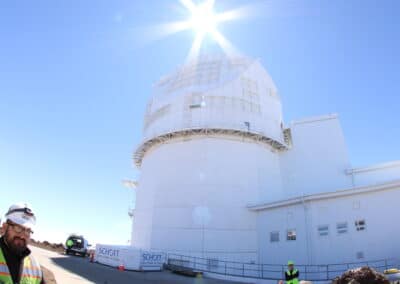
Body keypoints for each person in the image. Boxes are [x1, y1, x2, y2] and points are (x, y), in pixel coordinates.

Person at [0, 202, 45, 284]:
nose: (22, 236)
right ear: (4, 227)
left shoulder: (35, 267)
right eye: (18, 228)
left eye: (27, 231)